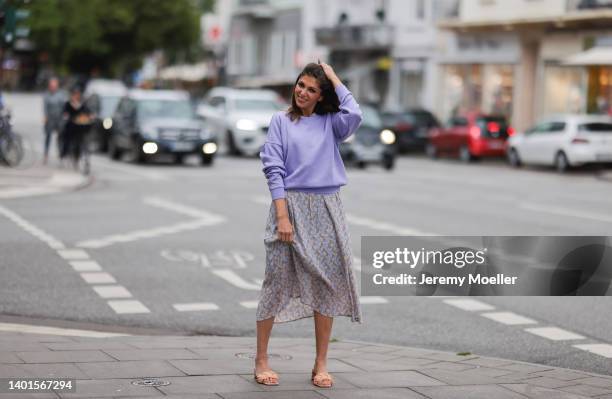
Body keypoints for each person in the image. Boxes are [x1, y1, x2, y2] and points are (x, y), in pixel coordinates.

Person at [255, 62, 363, 388]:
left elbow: (355, 114)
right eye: (300, 85)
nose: (302, 92)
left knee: (327, 284)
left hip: (327, 208)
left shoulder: (332, 123)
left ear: (321, 96)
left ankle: (321, 363)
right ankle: (261, 359)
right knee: (275, 281)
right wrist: (283, 216)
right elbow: (273, 168)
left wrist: (333, 76)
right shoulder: (280, 121)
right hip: (289, 206)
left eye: (312, 89)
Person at [61, 86, 92, 169]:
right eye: (74, 95)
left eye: (77, 95)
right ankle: (64, 155)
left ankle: (77, 158)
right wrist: (66, 116)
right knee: (67, 139)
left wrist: (89, 116)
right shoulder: (68, 104)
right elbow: (64, 113)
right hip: (70, 126)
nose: (76, 96)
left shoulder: (82, 104)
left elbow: (88, 112)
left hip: (79, 127)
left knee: (79, 142)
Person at [42, 77, 66, 164]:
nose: (52, 87)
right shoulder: (47, 95)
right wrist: (45, 117)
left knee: (60, 138)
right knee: (48, 137)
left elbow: (64, 106)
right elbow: (45, 107)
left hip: (59, 119)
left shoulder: (61, 94)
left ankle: (61, 155)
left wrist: (64, 117)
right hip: (50, 118)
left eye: (54, 86)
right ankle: (45, 155)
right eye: (51, 86)